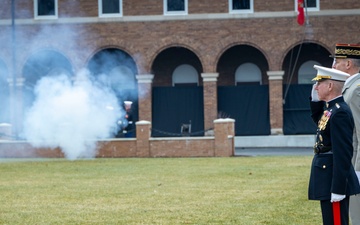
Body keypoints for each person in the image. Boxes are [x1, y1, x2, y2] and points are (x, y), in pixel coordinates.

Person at [308, 65, 360, 225]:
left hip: (333, 180)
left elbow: (343, 154)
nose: (316, 87)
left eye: (319, 83)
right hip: (326, 176)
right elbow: (321, 124)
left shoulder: (340, 112)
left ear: (330, 86)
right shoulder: (331, 109)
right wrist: (315, 102)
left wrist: (338, 188)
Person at [331, 43, 360, 225]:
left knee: (357, 216)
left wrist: (357, 170)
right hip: (351, 162)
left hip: (356, 164)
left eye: (337, 62)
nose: (334, 67)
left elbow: (358, 134)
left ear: (348, 64)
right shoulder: (350, 88)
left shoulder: (356, 90)